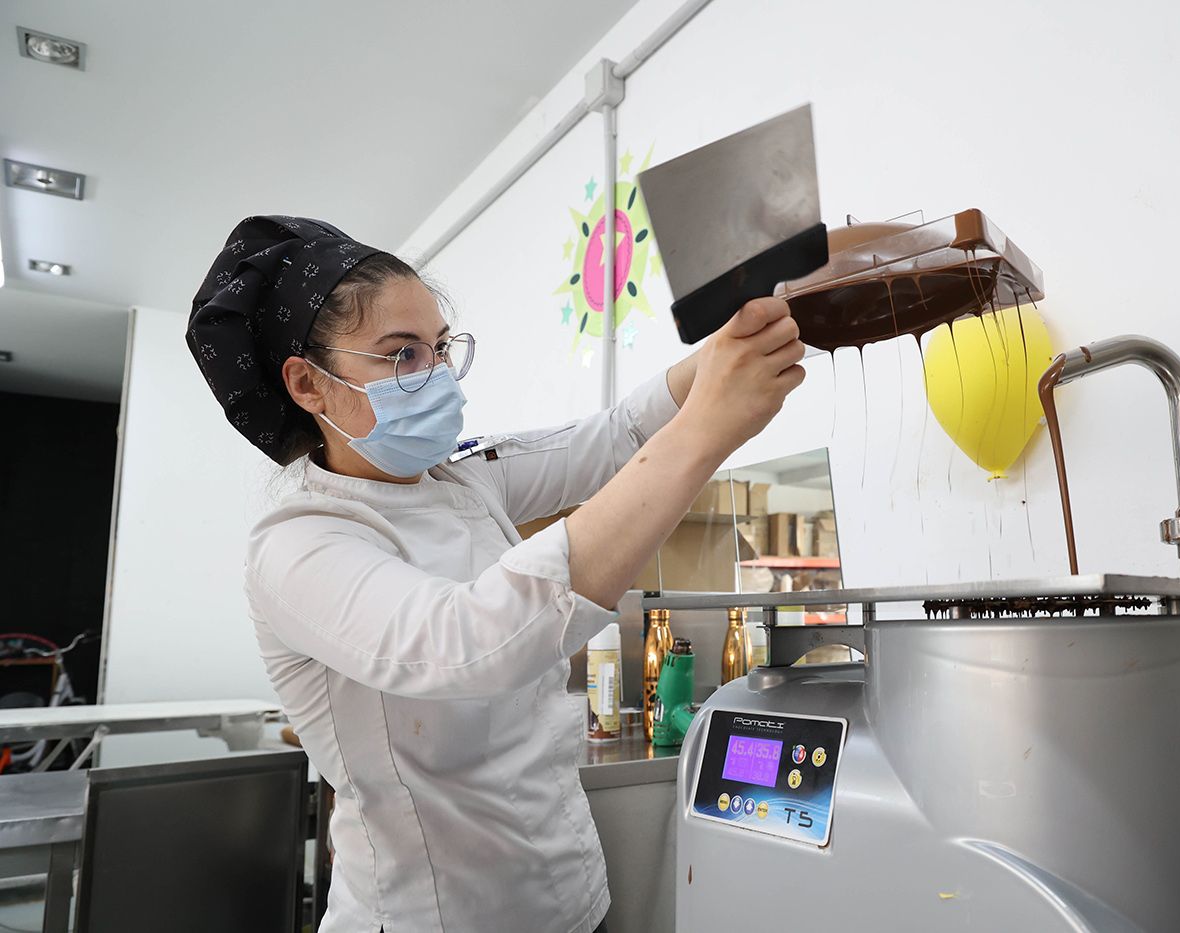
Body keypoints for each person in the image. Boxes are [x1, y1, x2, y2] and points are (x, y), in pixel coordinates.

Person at [187, 215, 805, 932]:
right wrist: (709, 429)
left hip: (570, 899)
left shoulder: (461, 479)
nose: (438, 373)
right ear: (308, 383)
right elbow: (472, 640)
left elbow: (619, 436)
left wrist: (735, 339)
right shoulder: (301, 544)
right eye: (402, 355)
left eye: (441, 347)